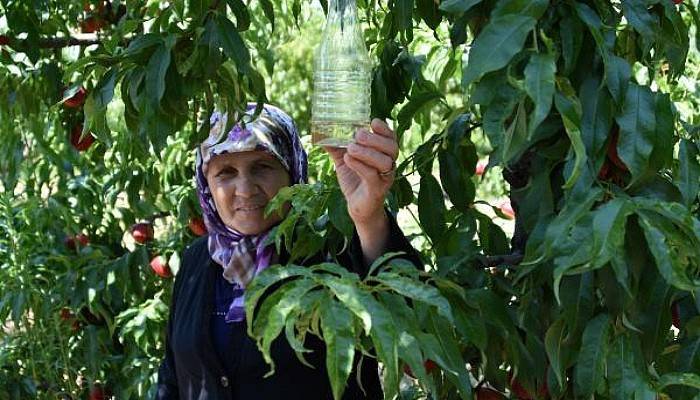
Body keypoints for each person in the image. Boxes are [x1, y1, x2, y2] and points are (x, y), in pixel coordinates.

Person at [155, 104, 420, 400]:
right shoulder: (196, 261)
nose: (244, 188)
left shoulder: (330, 250)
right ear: (206, 184)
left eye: (262, 166)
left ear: (291, 171)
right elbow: (173, 378)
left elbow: (409, 320)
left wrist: (368, 217)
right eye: (226, 172)